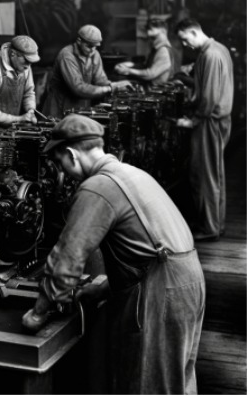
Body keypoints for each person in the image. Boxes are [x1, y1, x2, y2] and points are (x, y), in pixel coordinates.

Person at [21, 114, 205, 394]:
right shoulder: (131, 174)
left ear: (71, 155)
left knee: (150, 386)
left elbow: (67, 259)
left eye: (60, 164)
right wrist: (105, 288)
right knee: (176, 383)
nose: (64, 172)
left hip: (163, 292)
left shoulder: (98, 186)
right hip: (188, 282)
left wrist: (38, 312)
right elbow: (147, 245)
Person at [175, 18, 234, 241]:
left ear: (193, 32)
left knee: (205, 176)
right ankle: (215, 224)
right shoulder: (219, 49)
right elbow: (207, 87)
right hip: (218, 120)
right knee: (214, 174)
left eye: (184, 39)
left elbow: (208, 98)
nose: (185, 45)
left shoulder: (209, 55)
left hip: (210, 121)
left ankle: (209, 228)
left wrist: (192, 121)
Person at [42, 25, 134, 118]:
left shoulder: (94, 54)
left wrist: (118, 86)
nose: (92, 50)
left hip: (80, 109)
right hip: (59, 109)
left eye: (95, 46)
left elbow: (101, 81)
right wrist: (111, 88)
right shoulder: (67, 56)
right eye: (89, 46)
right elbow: (78, 88)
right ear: (79, 41)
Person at [114, 18, 177, 86]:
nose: (151, 41)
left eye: (154, 37)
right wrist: (131, 65)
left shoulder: (163, 50)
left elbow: (150, 74)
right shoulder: (157, 48)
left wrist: (128, 70)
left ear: (163, 32)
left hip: (156, 90)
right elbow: (146, 66)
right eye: (150, 38)